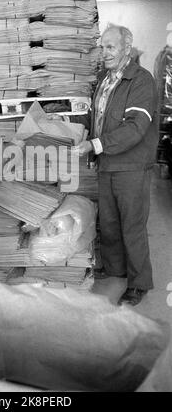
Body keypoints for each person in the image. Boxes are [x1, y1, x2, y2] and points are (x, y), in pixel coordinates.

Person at [76, 23, 159, 306]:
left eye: (110, 47)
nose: (104, 52)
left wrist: (96, 145)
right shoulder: (104, 79)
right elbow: (96, 117)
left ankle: (139, 283)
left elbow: (136, 127)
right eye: (102, 47)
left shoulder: (141, 80)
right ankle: (114, 269)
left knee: (132, 225)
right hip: (107, 163)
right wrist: (75, 129)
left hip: (131, 167)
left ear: (127, 48)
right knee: (109, 223)